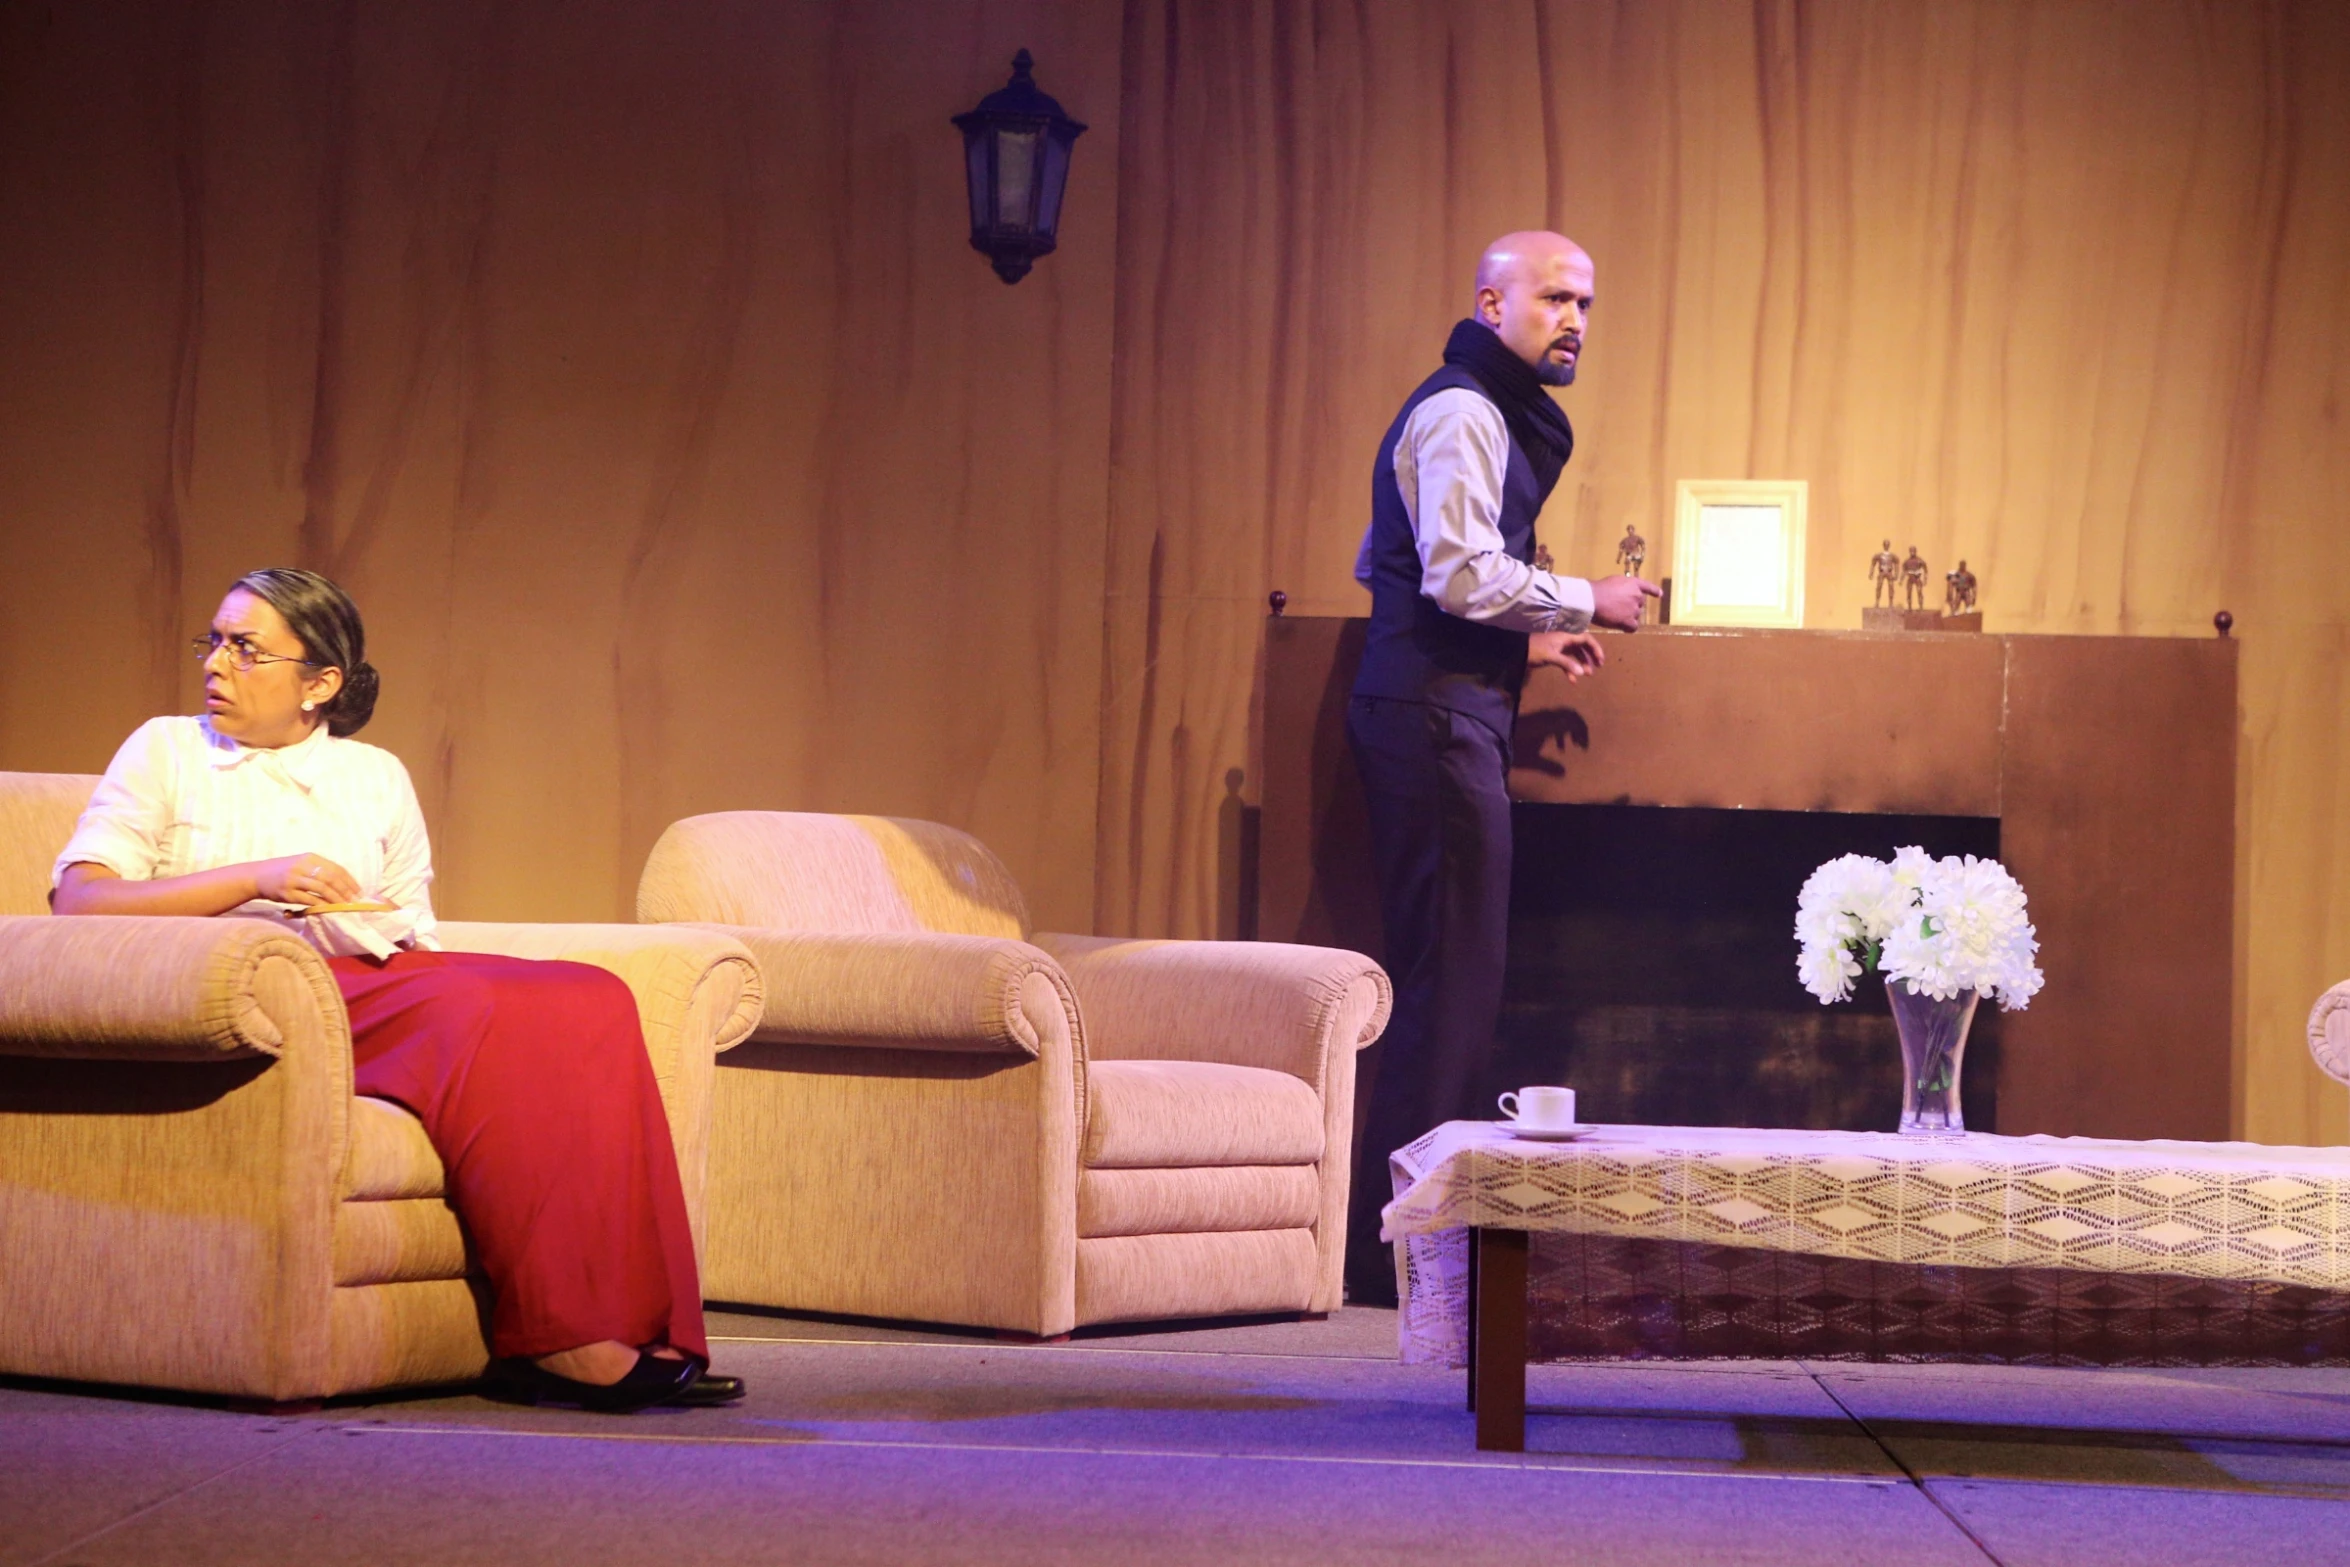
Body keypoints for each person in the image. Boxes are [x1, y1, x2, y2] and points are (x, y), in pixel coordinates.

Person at [50, 567, 740, 1412]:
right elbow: (81, 898)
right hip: (252, 986)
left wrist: (378, 924)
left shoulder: (374, 773)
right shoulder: (166, 747)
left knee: (592, 995)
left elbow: (415, 920)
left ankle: (642, 1318)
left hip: (371, 972)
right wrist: (257, 876)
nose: (216, 665)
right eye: (215, 641)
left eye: (246, 647)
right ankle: (562, 1338)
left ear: (322, 683)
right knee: (476, 1006)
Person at [1344, 232, 1659, 1306]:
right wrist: (1584, 597)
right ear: (1491, 302)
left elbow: (1386, 561)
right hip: (1431, 716)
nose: (1574, 319)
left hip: (1448, 703)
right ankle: (1396, 1255)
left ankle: (1402, 1246)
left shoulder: (1481, 409)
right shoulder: (1464, 409)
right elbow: (1455, 570)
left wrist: (1520, 643)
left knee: (1457, 976)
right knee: (1450, 980)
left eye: (1586, 303)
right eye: (1554, 298)